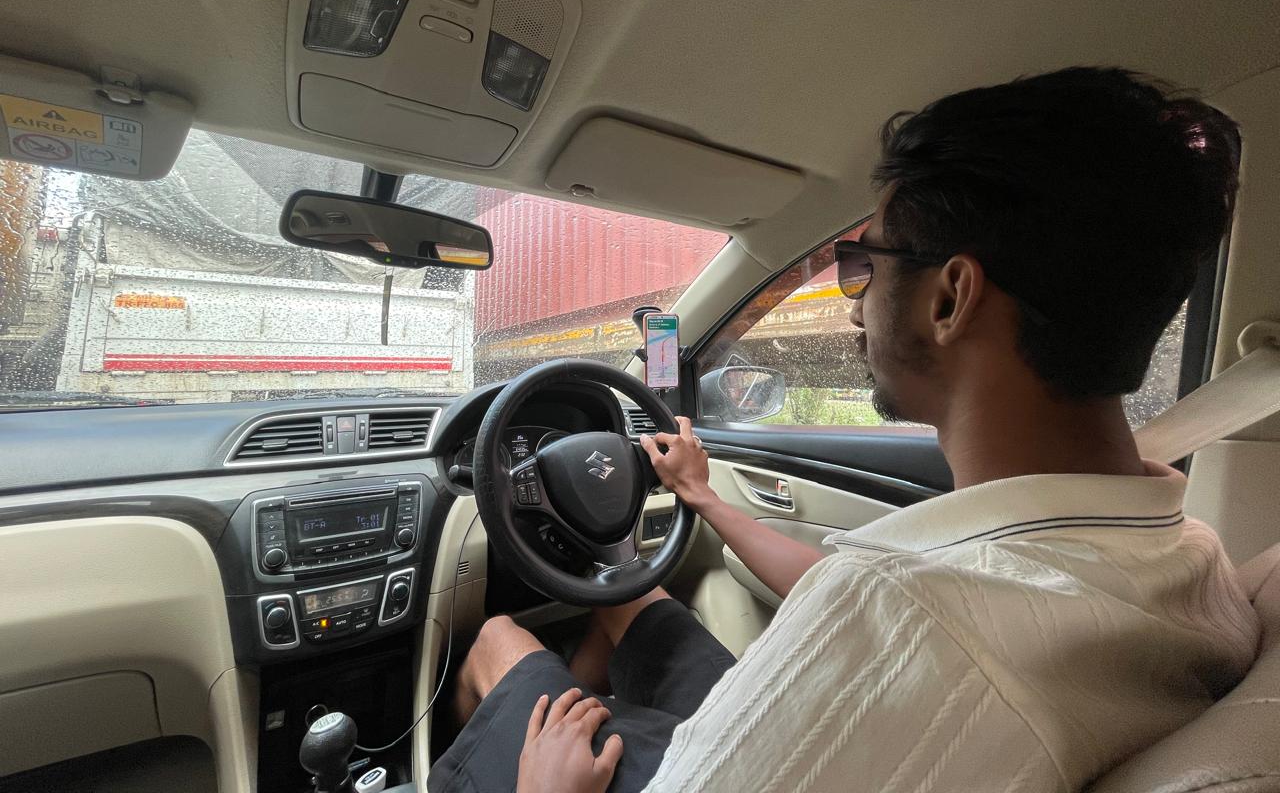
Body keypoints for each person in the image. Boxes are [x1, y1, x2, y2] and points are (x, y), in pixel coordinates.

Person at [427, 67, 1260, 793]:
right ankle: (600, 711)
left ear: (948, 298)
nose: (855, 300)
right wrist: (704, 498)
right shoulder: (1186, 553)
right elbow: (841, 586)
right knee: (627, 598)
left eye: (864, 265)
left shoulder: (902, 614)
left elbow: (873, 607)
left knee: (499, 641)